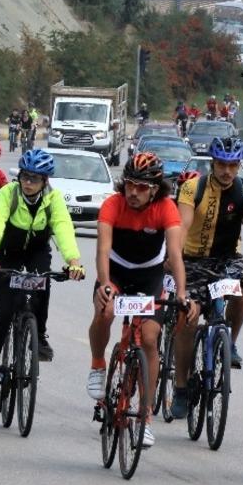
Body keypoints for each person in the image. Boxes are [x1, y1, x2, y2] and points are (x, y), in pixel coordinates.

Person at [170, 136, 243, 415]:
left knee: (242, 284)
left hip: (227, 259)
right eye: (222, 164)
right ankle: (182, 388)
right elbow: (182, 226)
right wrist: (172, 259)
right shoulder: (192, 187)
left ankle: (229, 342)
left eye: (233, 165)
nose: (227, 171)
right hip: (192, 258)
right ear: (213, 163)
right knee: (187, 318)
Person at [86, 153, 193, 448]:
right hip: (116, 271)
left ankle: (145, 416)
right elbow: (102, 250)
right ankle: (97, 365)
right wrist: (105, 284)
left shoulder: (165, 208)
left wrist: (181, 292)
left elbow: (174, 254)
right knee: (105, 313)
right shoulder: (113, 204)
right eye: (130, 184)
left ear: (155, 189)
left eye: (142, 187)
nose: (133, 192)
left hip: (149, 276)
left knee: (149, 337)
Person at [0, 149, 85, 412]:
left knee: (42, 284)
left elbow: (63, 228)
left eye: (35, 178)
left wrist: (73, 262)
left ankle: (40, 335)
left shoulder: (53, 198)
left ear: (45, 180)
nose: (28, 182)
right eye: (25, 176)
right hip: (6, 252)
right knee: (3, 314)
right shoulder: (7, 194)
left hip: (36, 250)